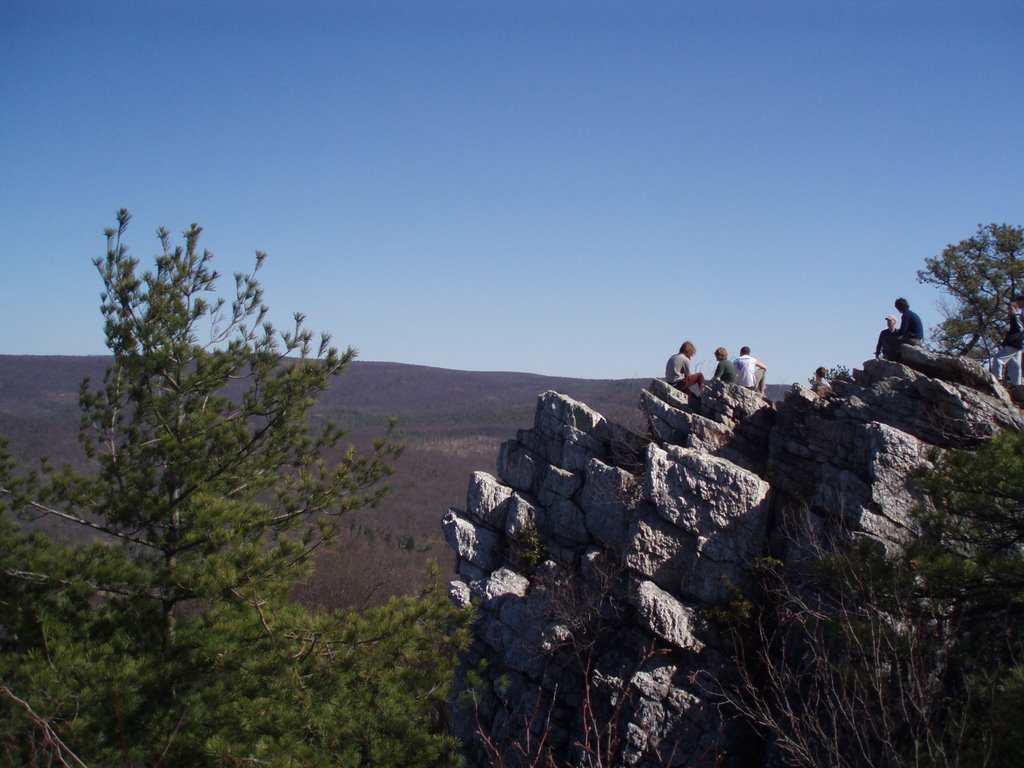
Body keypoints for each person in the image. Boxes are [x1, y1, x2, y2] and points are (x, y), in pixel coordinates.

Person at [990, 296, 1024, 386]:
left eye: (1010, 308)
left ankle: (997, 378)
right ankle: (1017, 385)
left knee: (998, 358)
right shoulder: (1018, 316)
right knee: (1015, 366)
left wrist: (1012, 337)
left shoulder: (1016, 317)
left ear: (1015, 309)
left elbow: (1020, 329)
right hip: (1019, 345)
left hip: (1014, 343)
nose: (1008, 310)